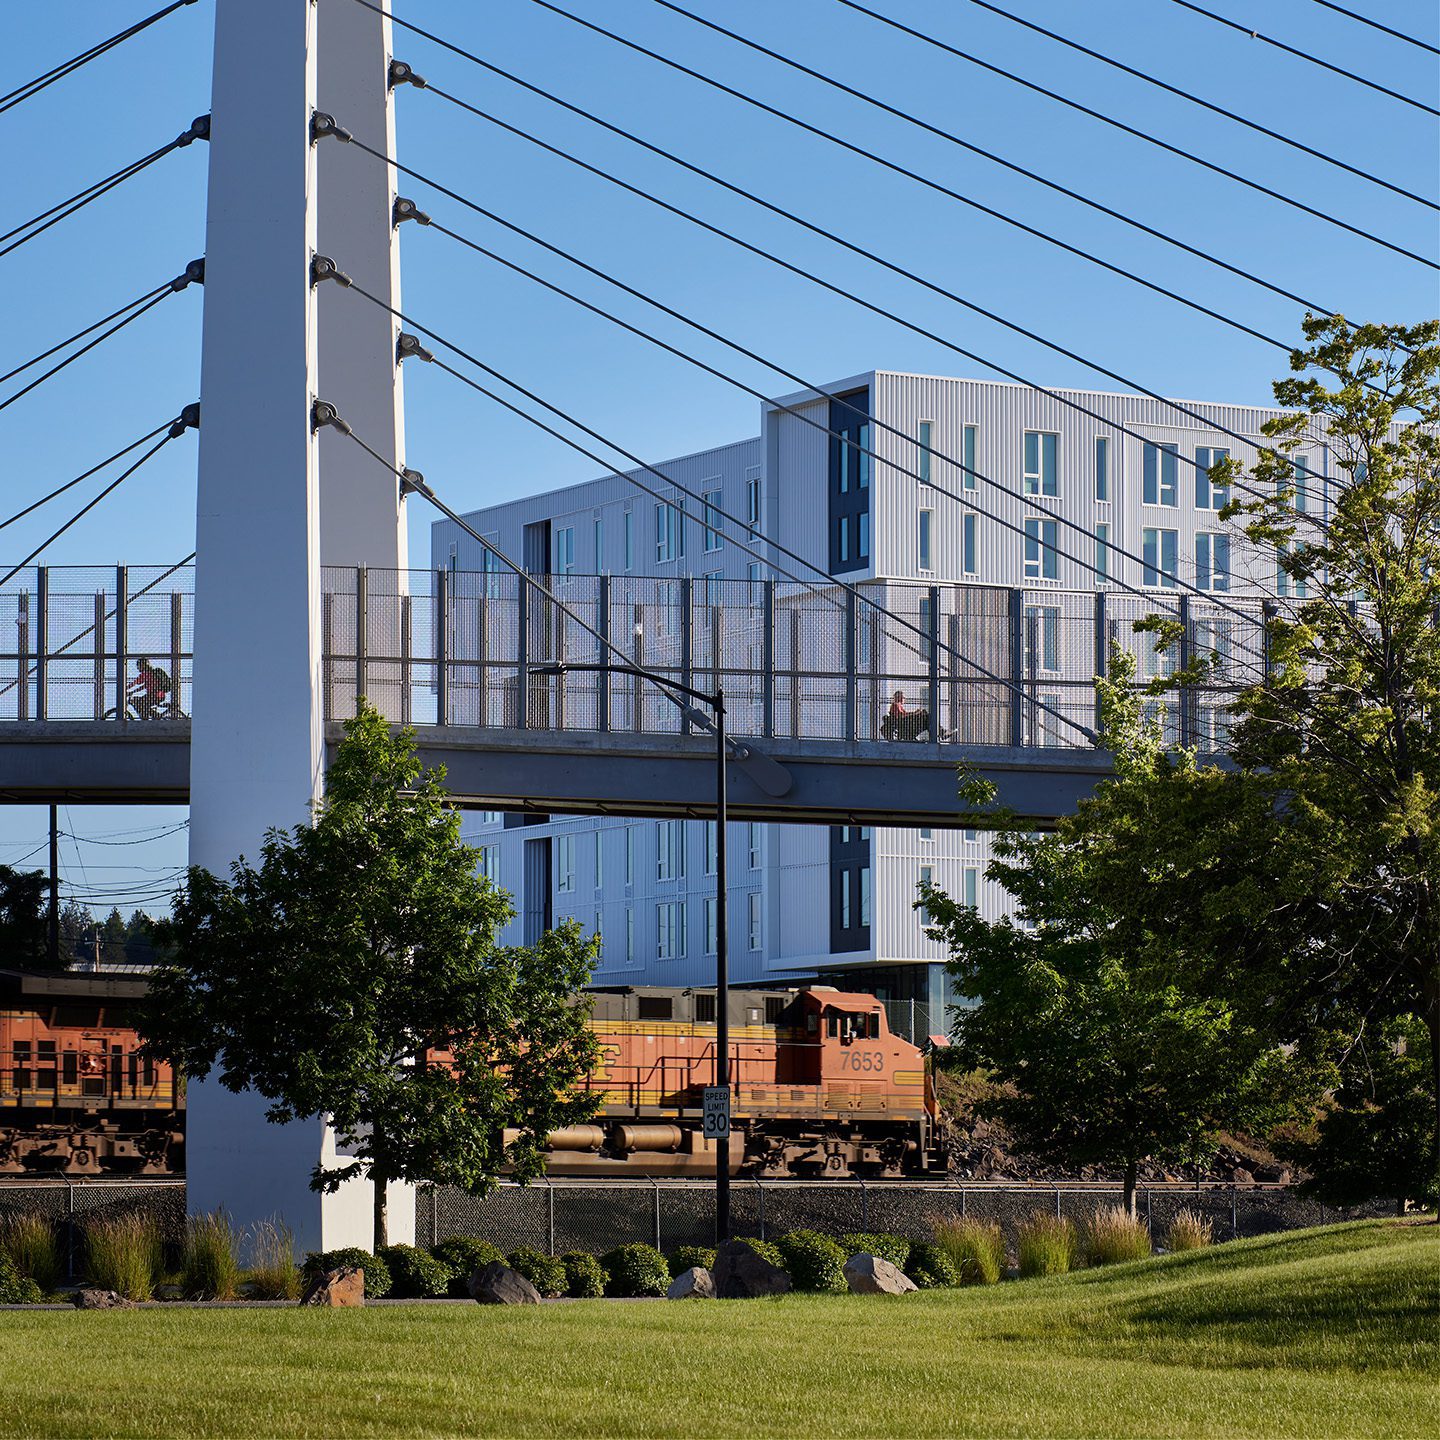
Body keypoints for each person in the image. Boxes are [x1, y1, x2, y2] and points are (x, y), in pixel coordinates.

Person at [882, 690, 951, 743]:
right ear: (899, 697)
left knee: (927, 716)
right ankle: (940, 733)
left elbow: (904, 715)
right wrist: (915, 713)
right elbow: (901, 716)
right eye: (903, 697)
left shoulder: (898, 706)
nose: (904, 698)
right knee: (927, 717)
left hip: (906, 724)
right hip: (905, 726)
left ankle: (940, 732)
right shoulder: (895, 705)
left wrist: (915, 713)